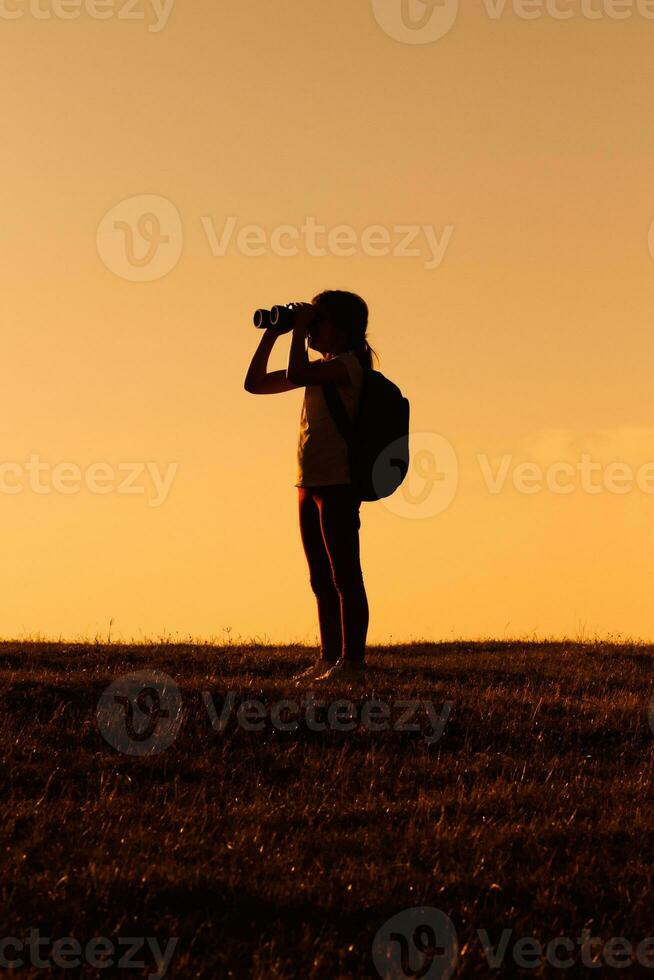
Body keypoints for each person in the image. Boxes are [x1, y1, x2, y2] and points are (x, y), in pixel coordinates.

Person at [244, 290, 377, 685]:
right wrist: (275, 333)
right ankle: (328, 659)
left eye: (319, 321)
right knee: (320, 577)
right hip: (309, 481)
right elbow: (254, 384)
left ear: (341, 329)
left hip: (338, 482)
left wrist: (299, 332)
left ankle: (352, 664)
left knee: (344, 576)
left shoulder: (347, 367)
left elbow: (298, 374)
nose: (312, 329)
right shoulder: (321, 367)